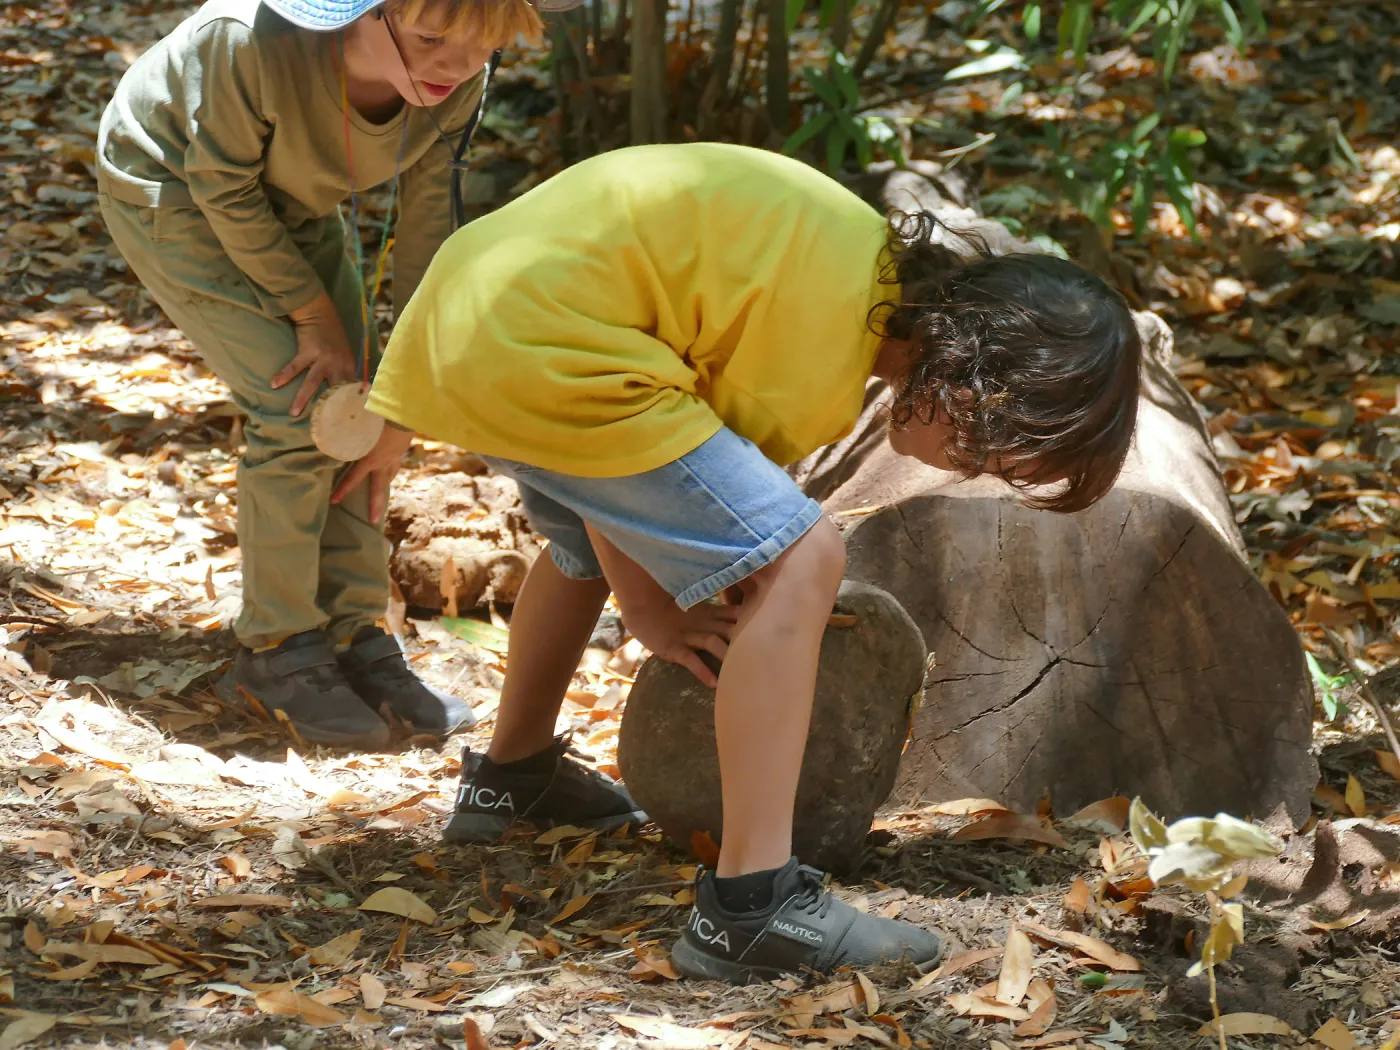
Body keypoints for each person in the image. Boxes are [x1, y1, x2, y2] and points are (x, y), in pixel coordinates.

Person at [338, 142, 1143, 982]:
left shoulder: (846, 263)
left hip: (485, 315)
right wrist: (653, 610)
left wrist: (644, 592)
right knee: (802, 558)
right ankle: (753, 905)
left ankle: (511, 779)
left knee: (579, 552)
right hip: (545, 340)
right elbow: (642, 451)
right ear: (979, 376)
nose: (964, 469)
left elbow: (619, 478)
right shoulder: (820, 346)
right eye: (986, 451)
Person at [96, 0, 548, 748]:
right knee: (295, 404)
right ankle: (277, 648)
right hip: (173, 187)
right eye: (431, 38)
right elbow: (223, 186)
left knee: (363, 408)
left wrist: (403, 389)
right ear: (363, 15)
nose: (452, 65)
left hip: (291, 202)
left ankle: (354, 631)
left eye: (479, 47)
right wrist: (311, 313)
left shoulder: (459, 77)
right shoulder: (248, 44)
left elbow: (431, 226)